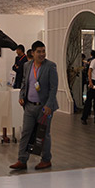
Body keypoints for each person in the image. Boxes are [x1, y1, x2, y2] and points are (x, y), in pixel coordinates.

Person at [10, 40, 59, 170]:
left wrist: (49, 105)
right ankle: (22, 160)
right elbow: (24, 82)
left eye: (43, 51)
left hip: (44, 108)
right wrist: (21, 96)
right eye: (39, 52)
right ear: (32, 53)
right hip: (29, 106)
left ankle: (46, 159)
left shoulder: (51, 66)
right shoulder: (27, 65)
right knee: (26, 133)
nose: (42, 54)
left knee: (43, 134)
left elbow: (53, 88)